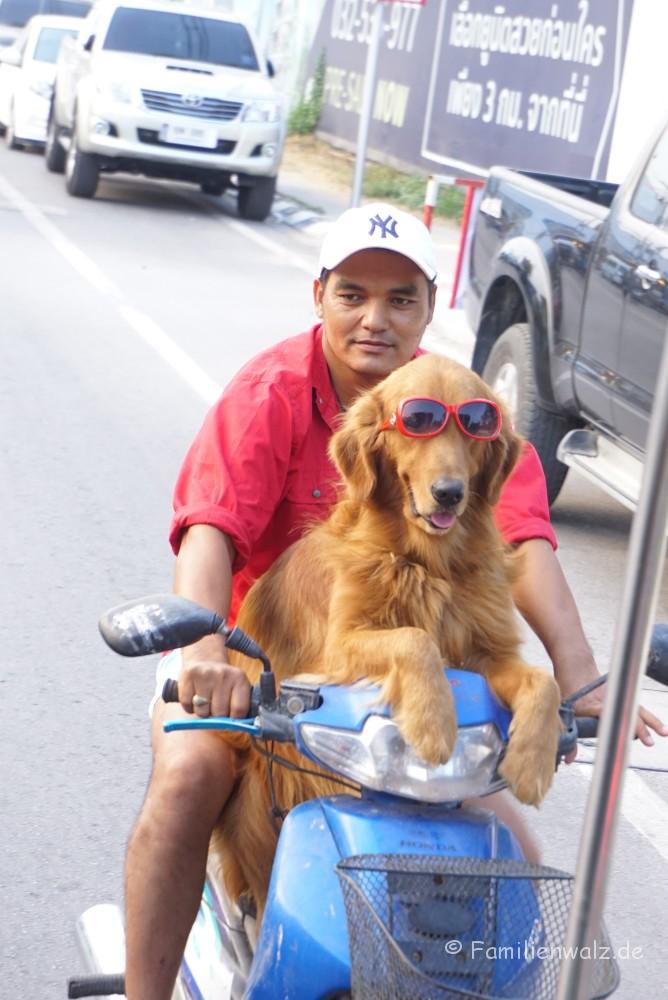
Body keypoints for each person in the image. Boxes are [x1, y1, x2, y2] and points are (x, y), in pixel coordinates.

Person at [124, 202, 667, 1000]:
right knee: (188, 777)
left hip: (396, 707)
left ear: (429, 307)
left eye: (400, 298)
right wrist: (205, 655)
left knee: (511, 854)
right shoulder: (273, 390)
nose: (375, 319)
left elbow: (521, 541)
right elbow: (209, 527)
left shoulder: (469, 411)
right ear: (319, 296)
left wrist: (580, 678)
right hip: (256, 668)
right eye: (353, 295)